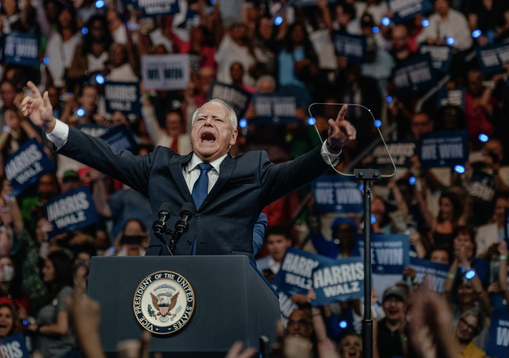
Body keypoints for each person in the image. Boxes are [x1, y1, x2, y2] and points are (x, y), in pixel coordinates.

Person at [21, 81, 356, 259]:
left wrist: (333, 147)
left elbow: (297, 171)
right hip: (165, 293)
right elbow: (107, 156)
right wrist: (53, 125)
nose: (207, 123)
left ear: (233, 136)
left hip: (227, 291)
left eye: (217, 120)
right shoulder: (161, 167)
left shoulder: (254, 170)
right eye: (201, 119)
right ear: (193, 131)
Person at [31, 251, 76, 358]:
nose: (43, 270)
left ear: (59, 270)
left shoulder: (66, 292)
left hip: (63, 355)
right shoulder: (53, 294)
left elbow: (62, 328)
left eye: (48, 267)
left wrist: (38, 329)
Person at [377, 287, 407, 358]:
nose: (393, 305)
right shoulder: (374, 330)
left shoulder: (412, 330)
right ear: (382, 306)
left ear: (405, 306)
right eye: (388, 300)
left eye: (398, 300)